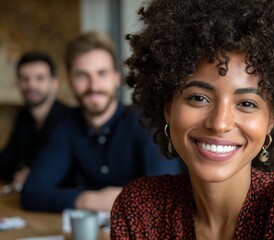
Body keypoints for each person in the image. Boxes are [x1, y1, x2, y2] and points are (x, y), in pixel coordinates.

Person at [110, 0, 274, 239]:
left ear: (271, 121)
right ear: (168, 108)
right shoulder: (139, 208)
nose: (220, 123)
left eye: (246, 104)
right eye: (199, 98)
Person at [21, 31, 183, 213]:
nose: (94, 86)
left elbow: (166, 196)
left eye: (102, 74)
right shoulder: (65, 126)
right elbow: (32, 193)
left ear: (116, 79)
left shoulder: (146, 123)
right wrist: (88, 200)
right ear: (70, 82)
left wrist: (124, 200)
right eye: (82, 75)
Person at [0, 51, 71, 192]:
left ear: (54, 83)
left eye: (39, 78)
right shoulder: (23, 117)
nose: (31, 85)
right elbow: (5, 163)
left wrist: (33, 174)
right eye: (24, 78)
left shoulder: (68, 119)